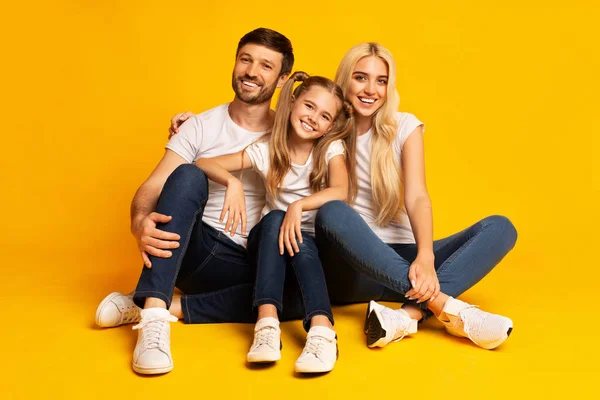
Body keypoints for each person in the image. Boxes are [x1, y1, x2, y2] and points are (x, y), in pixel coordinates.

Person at [171, 43, 518, 351]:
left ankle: (407, 316)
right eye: (360, 78)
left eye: (381, 80)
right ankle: (448, 306)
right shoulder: (327, 131)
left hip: (403, 261)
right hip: (347, 262)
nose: (370, 90)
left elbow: (417, 197)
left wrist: (425, 256)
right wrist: (194, 123)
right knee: (333, 213)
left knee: (500, 228)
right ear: (344, 83)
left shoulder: (404, 126)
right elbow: (277, 125)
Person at [94, 28, 304, 375]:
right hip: (194, 248)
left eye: (266, 66)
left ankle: (155, 304)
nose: (252, 71)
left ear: (282, 79)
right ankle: (153, 322)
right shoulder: (201, 126)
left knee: (302, 294)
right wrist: (139, 223)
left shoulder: (293, 131)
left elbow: (337, 125)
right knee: (189, 174)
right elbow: (151, 188)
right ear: (235, 63)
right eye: (245, 60)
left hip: (250, 264)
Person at [196, 71, 355, 373]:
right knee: (274, 219)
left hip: (308, 255)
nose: (313, 118)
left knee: (302, 244)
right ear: (293, 101)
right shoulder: (267, 149)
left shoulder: (330, 149)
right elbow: (203, 163)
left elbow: (341, 191)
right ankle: (267, 326)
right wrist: (231, 182)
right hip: (268, 246)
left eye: (324, 116)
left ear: (330, 126)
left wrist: (300, 204)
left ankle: (322, 334)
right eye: (309, 106)